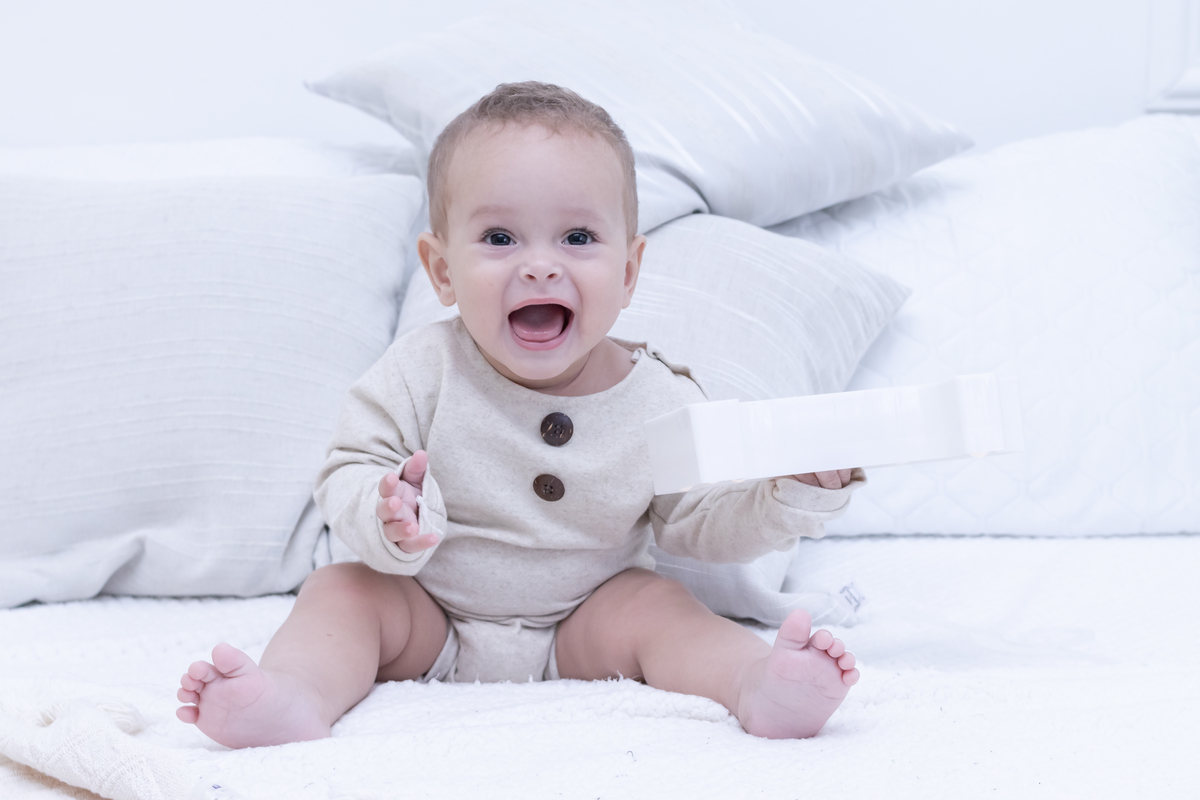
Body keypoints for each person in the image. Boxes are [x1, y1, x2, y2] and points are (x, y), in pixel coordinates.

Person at [176, 81, 863, 748]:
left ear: (628, 272)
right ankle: (296, 693)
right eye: (500, 237)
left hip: (587, 622)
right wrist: (388, 511)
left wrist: (789, 492)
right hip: (428, 613)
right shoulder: (422, 369)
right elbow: (349, 467)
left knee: (661, 605)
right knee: (341, 589)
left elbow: (700, 522)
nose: (539, 266)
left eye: (577, 237)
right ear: (442, 270)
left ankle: (754, 684)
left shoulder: (660, 398)